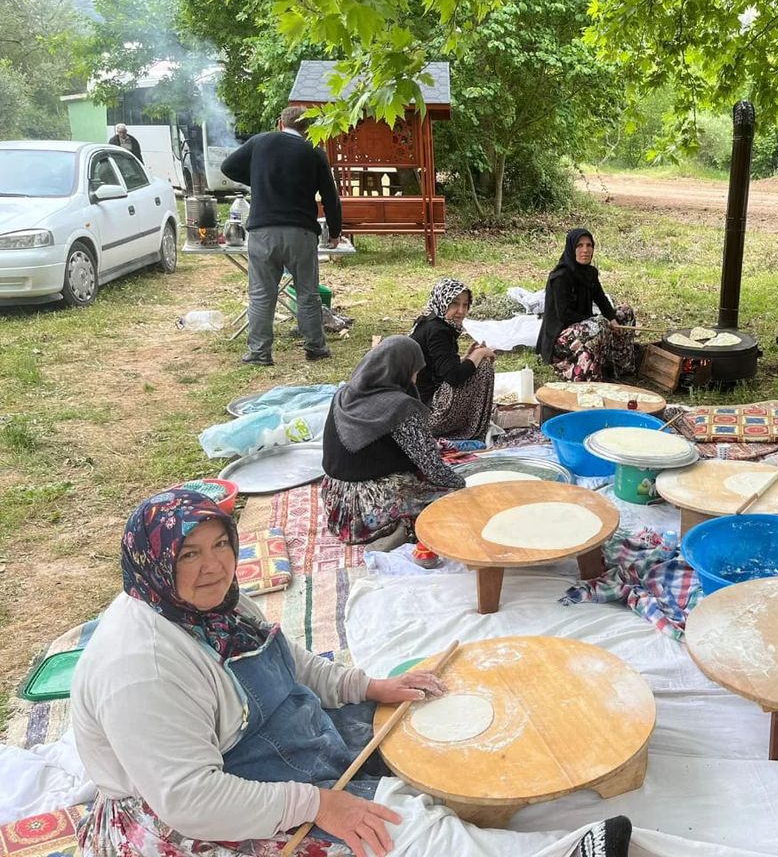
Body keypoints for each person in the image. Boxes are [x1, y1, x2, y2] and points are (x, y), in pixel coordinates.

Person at [71, 489, 448, 857]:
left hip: (263, 743)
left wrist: (368, 687)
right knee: (412, 836)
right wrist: (319, 804)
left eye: (221, 544)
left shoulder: (212, 603)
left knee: (422, 745)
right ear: (155, 564)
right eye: (189, 555)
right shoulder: (141, 671)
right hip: (194, 814)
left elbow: (285, 659)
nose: (214, 567)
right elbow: (191, 799)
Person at [220, 105, 342, 367]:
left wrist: (258, 178)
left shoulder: (259, 142)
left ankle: (259, 352)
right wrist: (335, 231)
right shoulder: (314, 152)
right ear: (307, 129)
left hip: (263, 232)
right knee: (307, 293)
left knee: (263, 294)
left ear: (280, 124)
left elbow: (227, 166)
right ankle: (315, 348)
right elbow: (331, 196)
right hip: (301, 232)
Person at [321, 336, 465, 546]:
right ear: (401, 369)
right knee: (451, 501)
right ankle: (403, 528)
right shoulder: (400, 408)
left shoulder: (343, 394)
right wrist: (463, 486)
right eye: (414, 370)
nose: (415, 378)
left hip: (337, 501)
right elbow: (433, 467)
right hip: (367, 508)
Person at [535, 228, 638, 382]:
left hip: (584, 326)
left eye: (589, 245)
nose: (585, 250)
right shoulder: (561, 277)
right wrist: (593, 319)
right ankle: (586, 373)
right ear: (571, 248)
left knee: (625, 313)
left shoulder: (590, 273)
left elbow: (601, 298)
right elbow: (564, 315)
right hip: (561, 336)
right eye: (579, 246)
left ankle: (619, 365)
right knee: (599, 324)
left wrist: (613, 319)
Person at [409, 278, 496, 440]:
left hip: (419, 407)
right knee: (483, 368)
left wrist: (466, 358)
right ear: (442, 301)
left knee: (478, 364)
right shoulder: (438, 331)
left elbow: (439, 368)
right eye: (454, 304)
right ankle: (471, 428)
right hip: (429, 414)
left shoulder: (431, 322)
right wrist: (478, 355)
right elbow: (454, 377)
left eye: (465, 305)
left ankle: (471, 424)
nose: (461, 311)